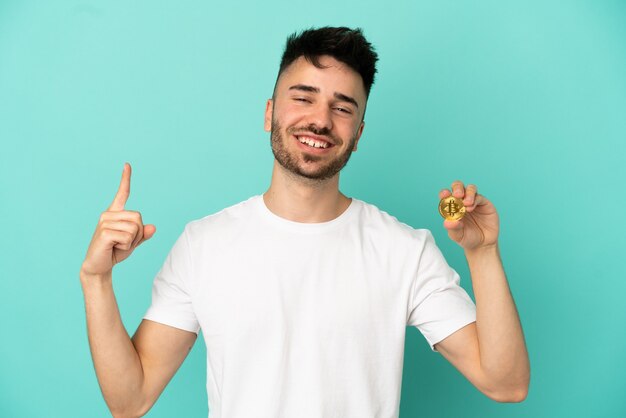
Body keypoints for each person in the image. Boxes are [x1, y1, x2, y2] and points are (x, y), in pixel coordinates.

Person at [80, 27, 530, 418]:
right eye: (303, 97)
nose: (320, 119)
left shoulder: (404, 250)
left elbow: (505, 383)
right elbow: (130, 400)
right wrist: (96, 279)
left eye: (343, 107)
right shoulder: (204, 244)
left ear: (358, 136)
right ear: (269, 112)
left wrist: (482, 252)